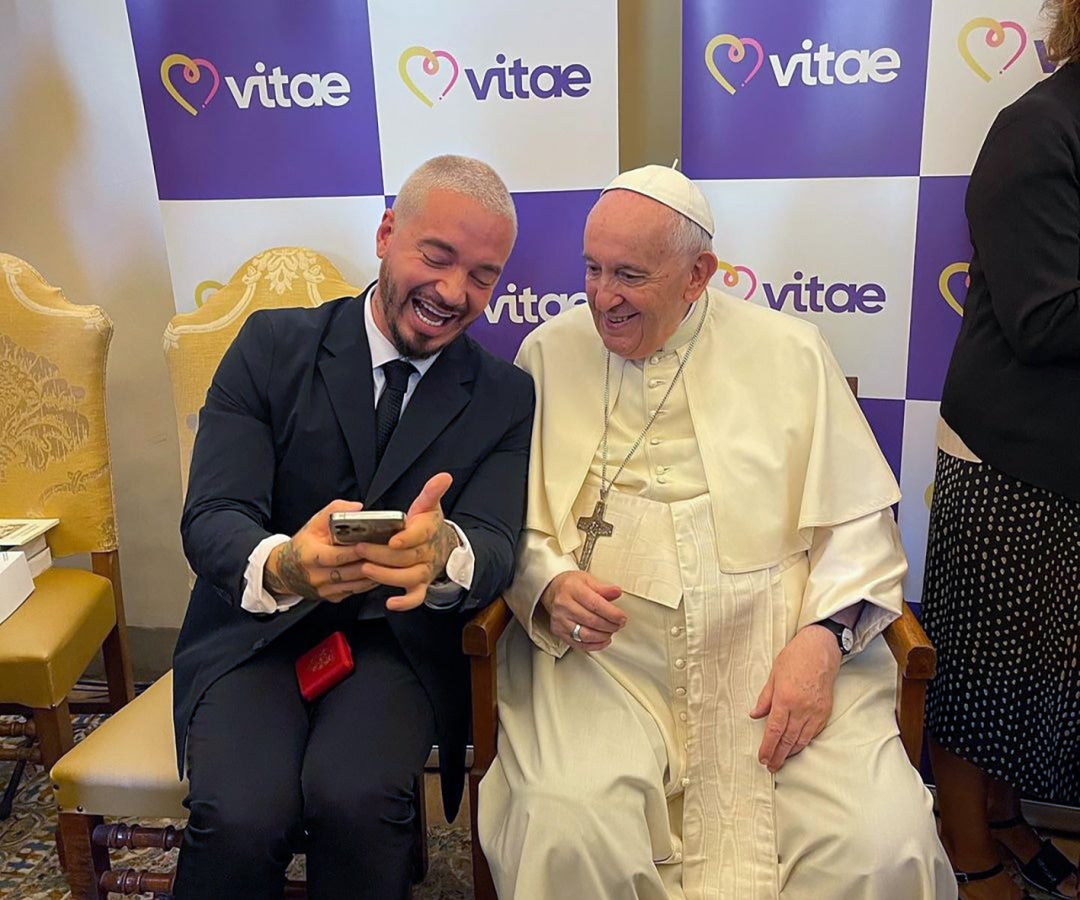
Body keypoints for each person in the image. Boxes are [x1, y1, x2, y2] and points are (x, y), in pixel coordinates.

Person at [478, 164, 955, 899]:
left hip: (774, 641)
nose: (602, 297)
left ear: (698, 274)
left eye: (629, 275)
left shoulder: (791, 350)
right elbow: (511, 517)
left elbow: (860, 525)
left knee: (877, 841)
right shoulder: (547, 350)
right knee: (566, 821)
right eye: (592, 269)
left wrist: (825, 639)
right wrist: (548, 583)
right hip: (606, 658)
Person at [170, 155, 534, 900]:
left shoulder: (505, 396)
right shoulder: (271, 347)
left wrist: (445, 552)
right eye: (437, 257)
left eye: (482, 276)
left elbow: (496, 543)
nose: (453, 293)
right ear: (386, 233)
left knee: (357, 802)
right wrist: (284, 565)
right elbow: (212, 515)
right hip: (255, 634)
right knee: (240, 814)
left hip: (396, 647)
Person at [921, 3, 1080, 897]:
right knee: (981, 671)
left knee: (1041, 673)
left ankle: (1009, 816)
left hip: (1068, 455)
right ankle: (966, 844)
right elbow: (1044, 317)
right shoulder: (1036, 130)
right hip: (1007, 453)